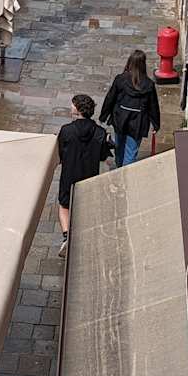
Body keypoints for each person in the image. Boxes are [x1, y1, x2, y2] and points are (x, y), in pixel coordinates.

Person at [56, 93, 113, 255]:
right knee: (85, 206)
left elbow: (60, 153)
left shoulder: (66, 130)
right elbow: (103, 156)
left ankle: (66, 236)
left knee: (64, 205)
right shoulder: (100, 132)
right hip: (89, 175)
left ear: (78, 109)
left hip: (69, 174)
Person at [100, 48, 161, 167]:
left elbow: (110, 98)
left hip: (120, 119)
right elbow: (153, 106)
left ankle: (119, 167)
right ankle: (126, 172)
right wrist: (156, 124)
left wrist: (104, 115)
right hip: (138, 122)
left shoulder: (120, 79)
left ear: (129, 62)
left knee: (119, 147)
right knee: (131, 152)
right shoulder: (148, 84)